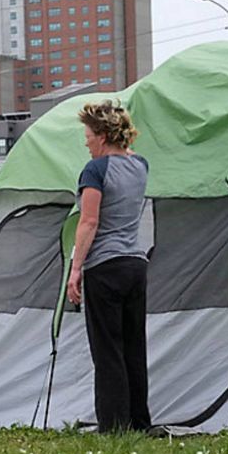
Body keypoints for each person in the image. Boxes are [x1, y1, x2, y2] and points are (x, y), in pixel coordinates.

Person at [66, 100, 151, 433]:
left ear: (101, 135)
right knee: (133, 347)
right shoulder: (141, 165)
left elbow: (88, 222)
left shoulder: (96, 171)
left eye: (87, 135)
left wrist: (76, 270)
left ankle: (114, 428)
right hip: (135, 265)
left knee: (108, 351)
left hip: (105, 267)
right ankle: (140, 423)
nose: (86, 141)